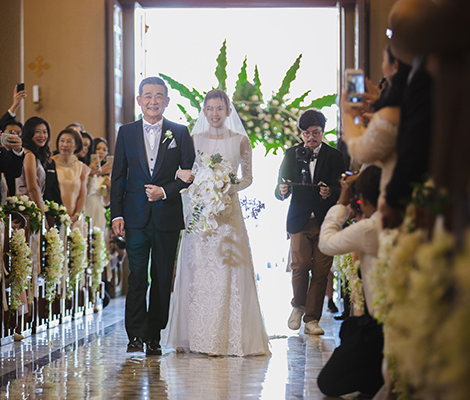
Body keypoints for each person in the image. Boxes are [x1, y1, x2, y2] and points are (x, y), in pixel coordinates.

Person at [166, 89, 270, 356]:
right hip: (200, 214)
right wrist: (201, 187)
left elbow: (247, 178)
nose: (214, 113)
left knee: (227, 269)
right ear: (204, 111)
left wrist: (228, 187)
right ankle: (196, 337)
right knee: (199, 270)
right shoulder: (194, 139)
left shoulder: (240, 140)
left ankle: (228, 338)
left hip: (228, 214)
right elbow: (186, 173)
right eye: (210, 108)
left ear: (228, 111)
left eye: (219, 108)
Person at [110, 76, 195, 356]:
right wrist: (117, 214)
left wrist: (165, 191)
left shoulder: (179, 132)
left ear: (167, 101)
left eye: (159, 96)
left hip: (167, 216)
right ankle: (135, 335)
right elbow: (118, 176)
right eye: (148, 95)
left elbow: (189, 173)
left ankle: (154, 335)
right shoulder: (126, 132)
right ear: (139, 100)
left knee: (162, 276)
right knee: (137, 276)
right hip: (135, 216)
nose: (153, 101)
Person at [275, 108, 345, 335]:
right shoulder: (291, 154)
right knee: (300, 266)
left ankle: (312, 319)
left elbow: (342, 188)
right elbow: (279, 187)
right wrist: (282, 190)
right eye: (306, 133)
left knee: (321, 270)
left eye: (315, 133)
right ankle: (298, 306)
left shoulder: (335, 156)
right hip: (299, 220)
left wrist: (330, 192)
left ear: (323, 131)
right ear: (301, 133)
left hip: (326, 221)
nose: (311, 138)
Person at [316, 166, 384, 397]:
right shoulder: (398, 219)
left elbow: (326, 243)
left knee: (328, 383)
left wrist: (342, 202)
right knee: (349, 329)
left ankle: (380, 379)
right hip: (387, 319)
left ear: (362, 198)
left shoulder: (370, 228)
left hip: (380, 327)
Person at [379, 0, 434, 229]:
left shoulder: (425, 74)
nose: (390, 40)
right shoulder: (420, 68)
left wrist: (393, 199)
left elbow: (416, 143)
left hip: (421, 192)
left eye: (392, 32)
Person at [341, 46, 411, 207]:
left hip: (395, 197)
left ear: (395, 65)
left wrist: (347, 113)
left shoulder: (390, 114)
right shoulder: (410, 103)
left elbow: (360, 151)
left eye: (384, 59)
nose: (382, 65)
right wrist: (380, 102)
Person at [51, 128, 90, 226]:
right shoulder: (50, 163)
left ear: (76, 146)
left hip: (73, 218)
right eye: (62, 141)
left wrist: (76, 214)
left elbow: (82, 195)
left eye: (69, 142)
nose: (64, 144)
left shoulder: (80, 167)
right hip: (53, 216)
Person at [16, 116, 51, 212]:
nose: (42, 136)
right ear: (29, 133)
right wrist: (41, 213)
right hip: (28, 207)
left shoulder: (32, 154)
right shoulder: (29, 155)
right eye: (38, 132)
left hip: (30, 205)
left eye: (45, 132)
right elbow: (32, 188)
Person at [85, 137, 112, 230]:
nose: (101, 152)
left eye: (104, 150)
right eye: (98, 148)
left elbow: (106, 202)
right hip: (87, 205)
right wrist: (95, 173)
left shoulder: (107, 174)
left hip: (99, 209)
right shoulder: (86, 168)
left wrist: (110, 187)